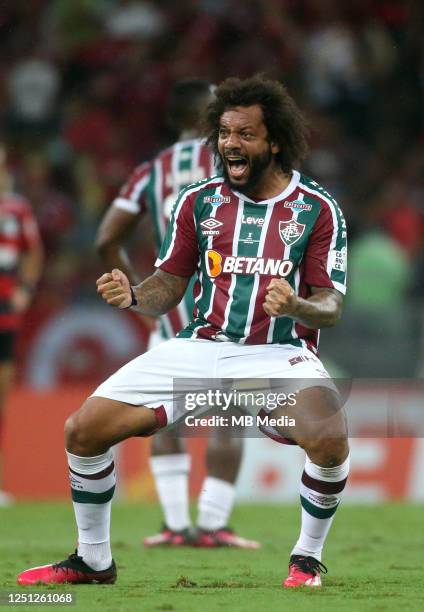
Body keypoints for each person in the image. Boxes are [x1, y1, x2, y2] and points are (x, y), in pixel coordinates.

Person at [18, 74, 349, 589]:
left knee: (329, 439)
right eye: (223, 133)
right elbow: (169, 283)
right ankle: (94, 560)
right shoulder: (200, 201)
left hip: (276, 353)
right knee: (82, 431)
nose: (229, 145)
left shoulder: (316, 208)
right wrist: (133, 295)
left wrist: (300, 303)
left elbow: (331, 305)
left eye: (244, 134)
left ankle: (306, 559)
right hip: (199, 346)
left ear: (275, 141)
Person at [95, 79, 257, 549]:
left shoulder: (152, 170)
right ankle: (212, 524)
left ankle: (172, 523)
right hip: (229, 307)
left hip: (168, 306)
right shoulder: (235, 162)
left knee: (163, 414)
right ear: (211, 117)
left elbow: (107, 237)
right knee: (229, 412)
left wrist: (138, 295)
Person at [0, 143, 43, 505]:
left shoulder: (16, 208)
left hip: (5, 311)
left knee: (1, 397)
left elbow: (34, 252)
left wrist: (25, 289)